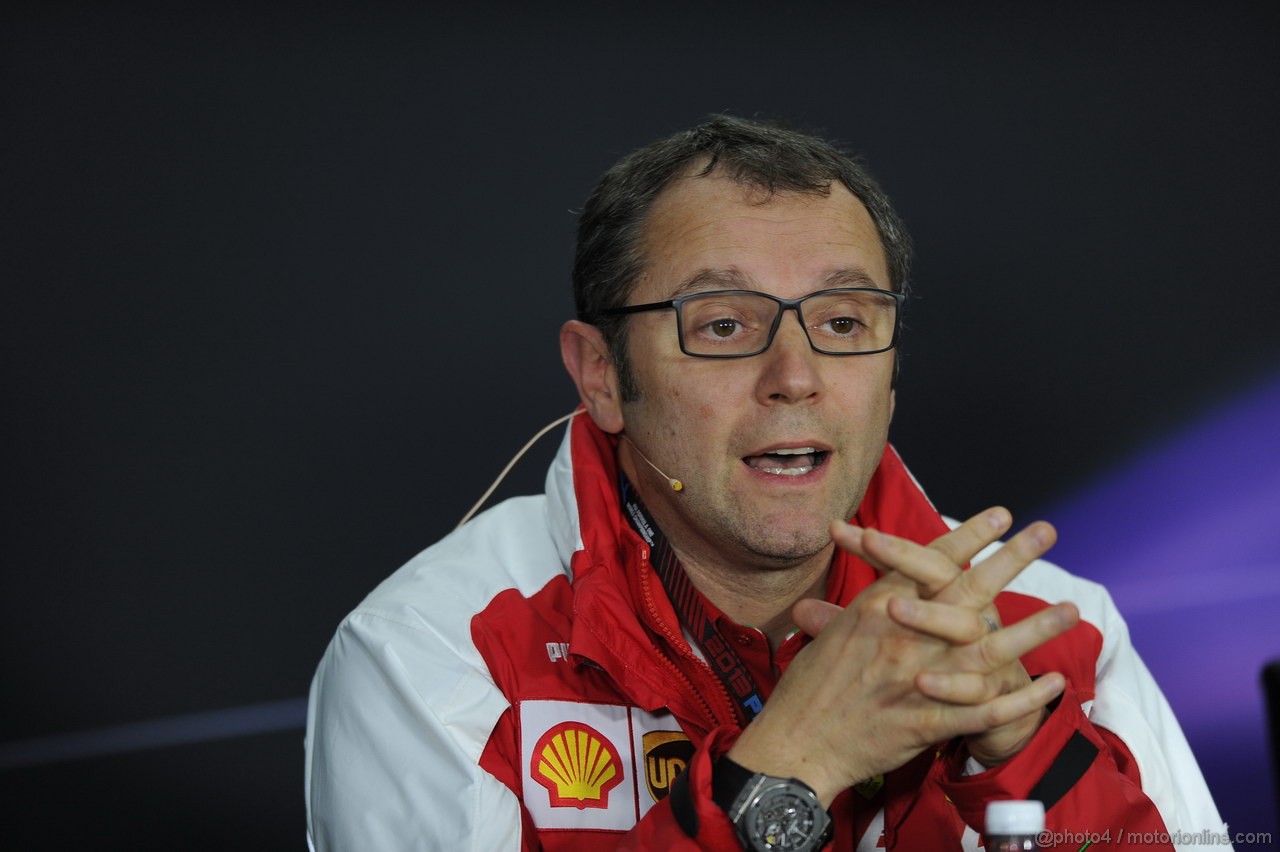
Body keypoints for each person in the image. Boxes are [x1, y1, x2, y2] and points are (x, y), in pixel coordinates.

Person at [304, 116, 1227, 851]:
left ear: (891, 366)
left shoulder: (1056, 629)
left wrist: (1029, 756)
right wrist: (792, 762)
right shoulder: (431, 654)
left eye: (842, 318)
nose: (797, 374)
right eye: (721, 325)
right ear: (599, 375)